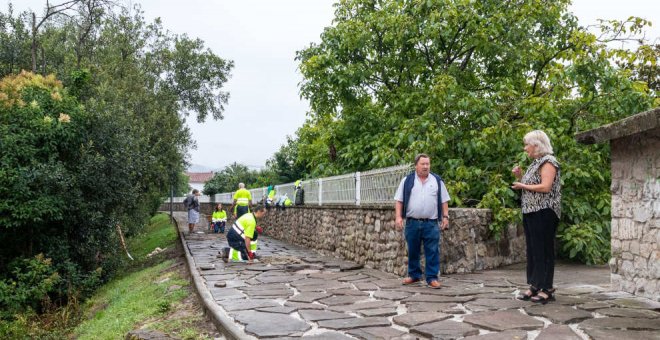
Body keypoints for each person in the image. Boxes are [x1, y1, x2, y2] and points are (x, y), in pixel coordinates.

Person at [511, 130, 561, 304]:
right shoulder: (535, 162)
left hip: (545, 211)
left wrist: (522, 184)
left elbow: (545, 187)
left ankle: (547, 288)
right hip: (531, 210)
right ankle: (534, 285)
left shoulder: (549, 162)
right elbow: (531, 184)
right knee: (533, 249)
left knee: (544, 249)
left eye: (527, 145)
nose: (525, 148)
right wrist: (520, 176)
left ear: (536, 145)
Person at [394, 153, 450, 289]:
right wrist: (398, 217)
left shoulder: (436, 180)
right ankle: (414, 275)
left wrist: (446, 217)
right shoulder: (407, 180)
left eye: (427, 164)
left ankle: (431, 278)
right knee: (413, 250)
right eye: (423, 164)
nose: (426, 166)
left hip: (431, 223)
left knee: (432, 250)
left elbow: (444, 200)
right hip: (412, 222)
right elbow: (399, 200)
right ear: (416, 166)